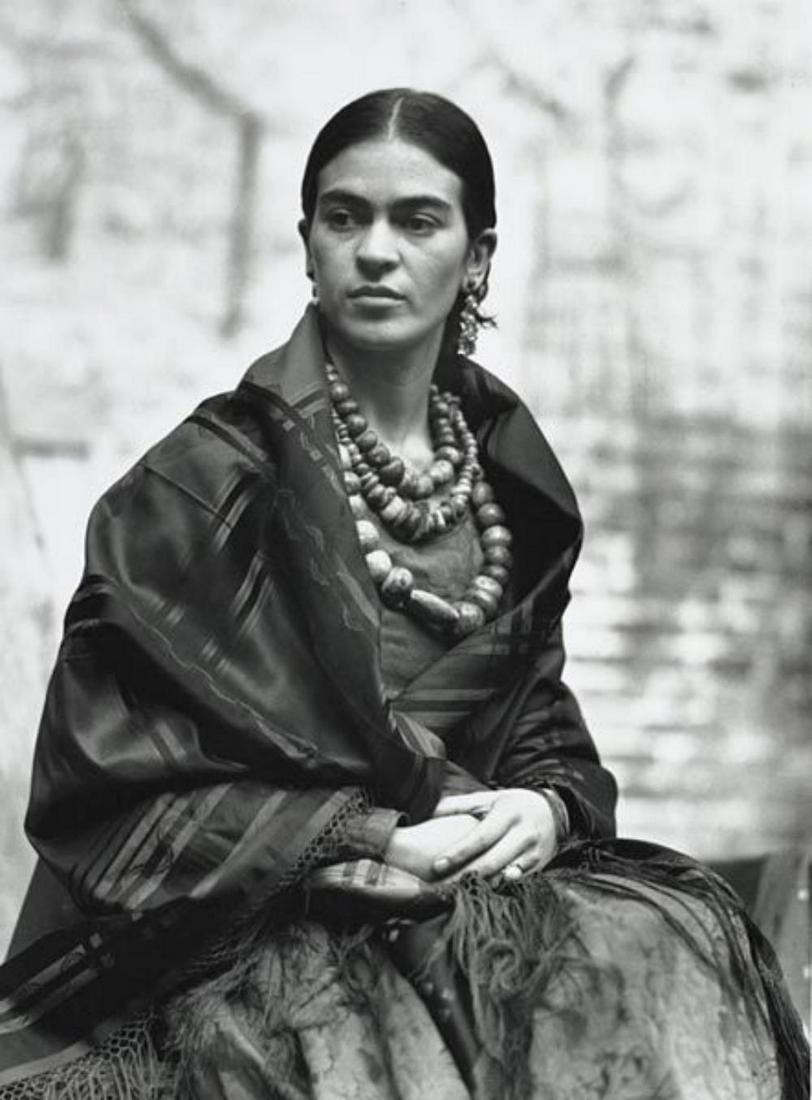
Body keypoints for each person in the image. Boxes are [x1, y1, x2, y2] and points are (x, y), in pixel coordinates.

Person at [0, 88, 806, 1100]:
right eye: (345, 217)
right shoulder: (202, 485)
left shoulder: (507, 474)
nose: (374, 250)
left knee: (657, 948)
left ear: (475, 256)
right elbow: (103, 782)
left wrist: (545, 808)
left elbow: (538, 722)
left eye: (415, 219)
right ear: (307, 243)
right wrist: (364, 833)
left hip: (465, 883)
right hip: (253, 916)